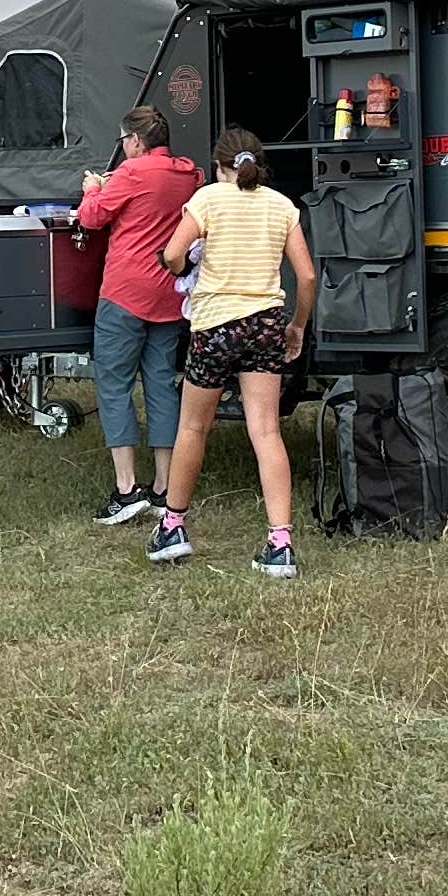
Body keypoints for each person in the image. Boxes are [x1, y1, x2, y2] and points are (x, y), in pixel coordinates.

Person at [151, 127, 320, 578]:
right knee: (266, 431)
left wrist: (184, 264)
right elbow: (305, 277)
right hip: (265, 323)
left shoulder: (207, 200)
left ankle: (173, 527)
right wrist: (297, 326)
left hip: (215, 325)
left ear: (218, 166)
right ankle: (280, 542)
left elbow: (170, 254)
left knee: (193, 426)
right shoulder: (282, 206)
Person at [71, 105, 198, 528]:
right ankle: (164, 490)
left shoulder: (129, 174)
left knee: (113, 386)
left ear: (137, 141)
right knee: (162, 384)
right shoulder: (188, 174)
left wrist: (92, 188)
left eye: (124, 140)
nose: (122, 148)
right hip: (169, 294)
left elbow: (92, 218)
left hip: (125, 294)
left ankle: (127, 490)